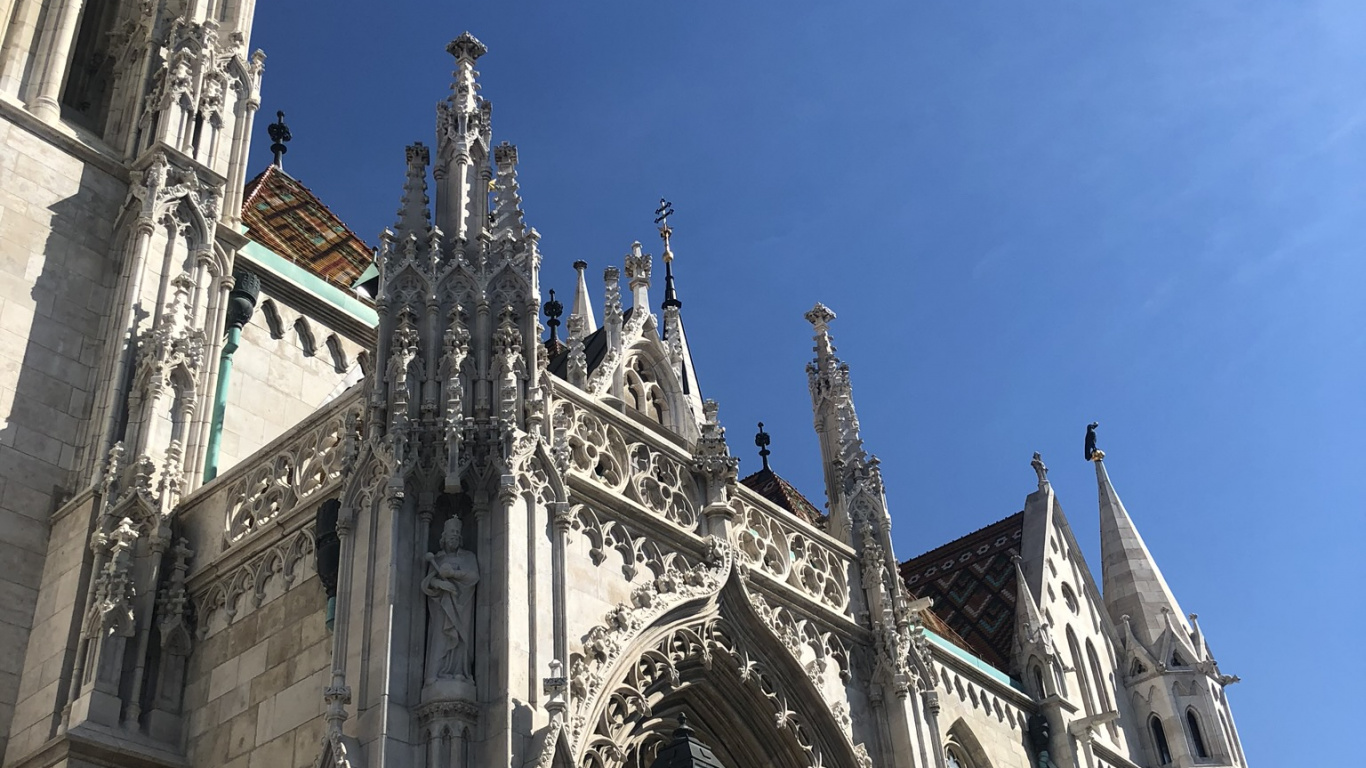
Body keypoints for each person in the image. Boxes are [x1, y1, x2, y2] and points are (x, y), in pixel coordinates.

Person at [423, 516, 479, 683]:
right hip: (442, 604)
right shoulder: (438, 559)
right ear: (444, 538)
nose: (453, 536)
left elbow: (474, 576)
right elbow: (428, 582)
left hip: (462, 603)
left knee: (461, 637)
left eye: (456, 534)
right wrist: (440, 583)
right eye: (450, 534)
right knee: (440, 637)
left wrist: (454, 574)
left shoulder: (468, 557)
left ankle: (460, 671)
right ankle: (435, 673)